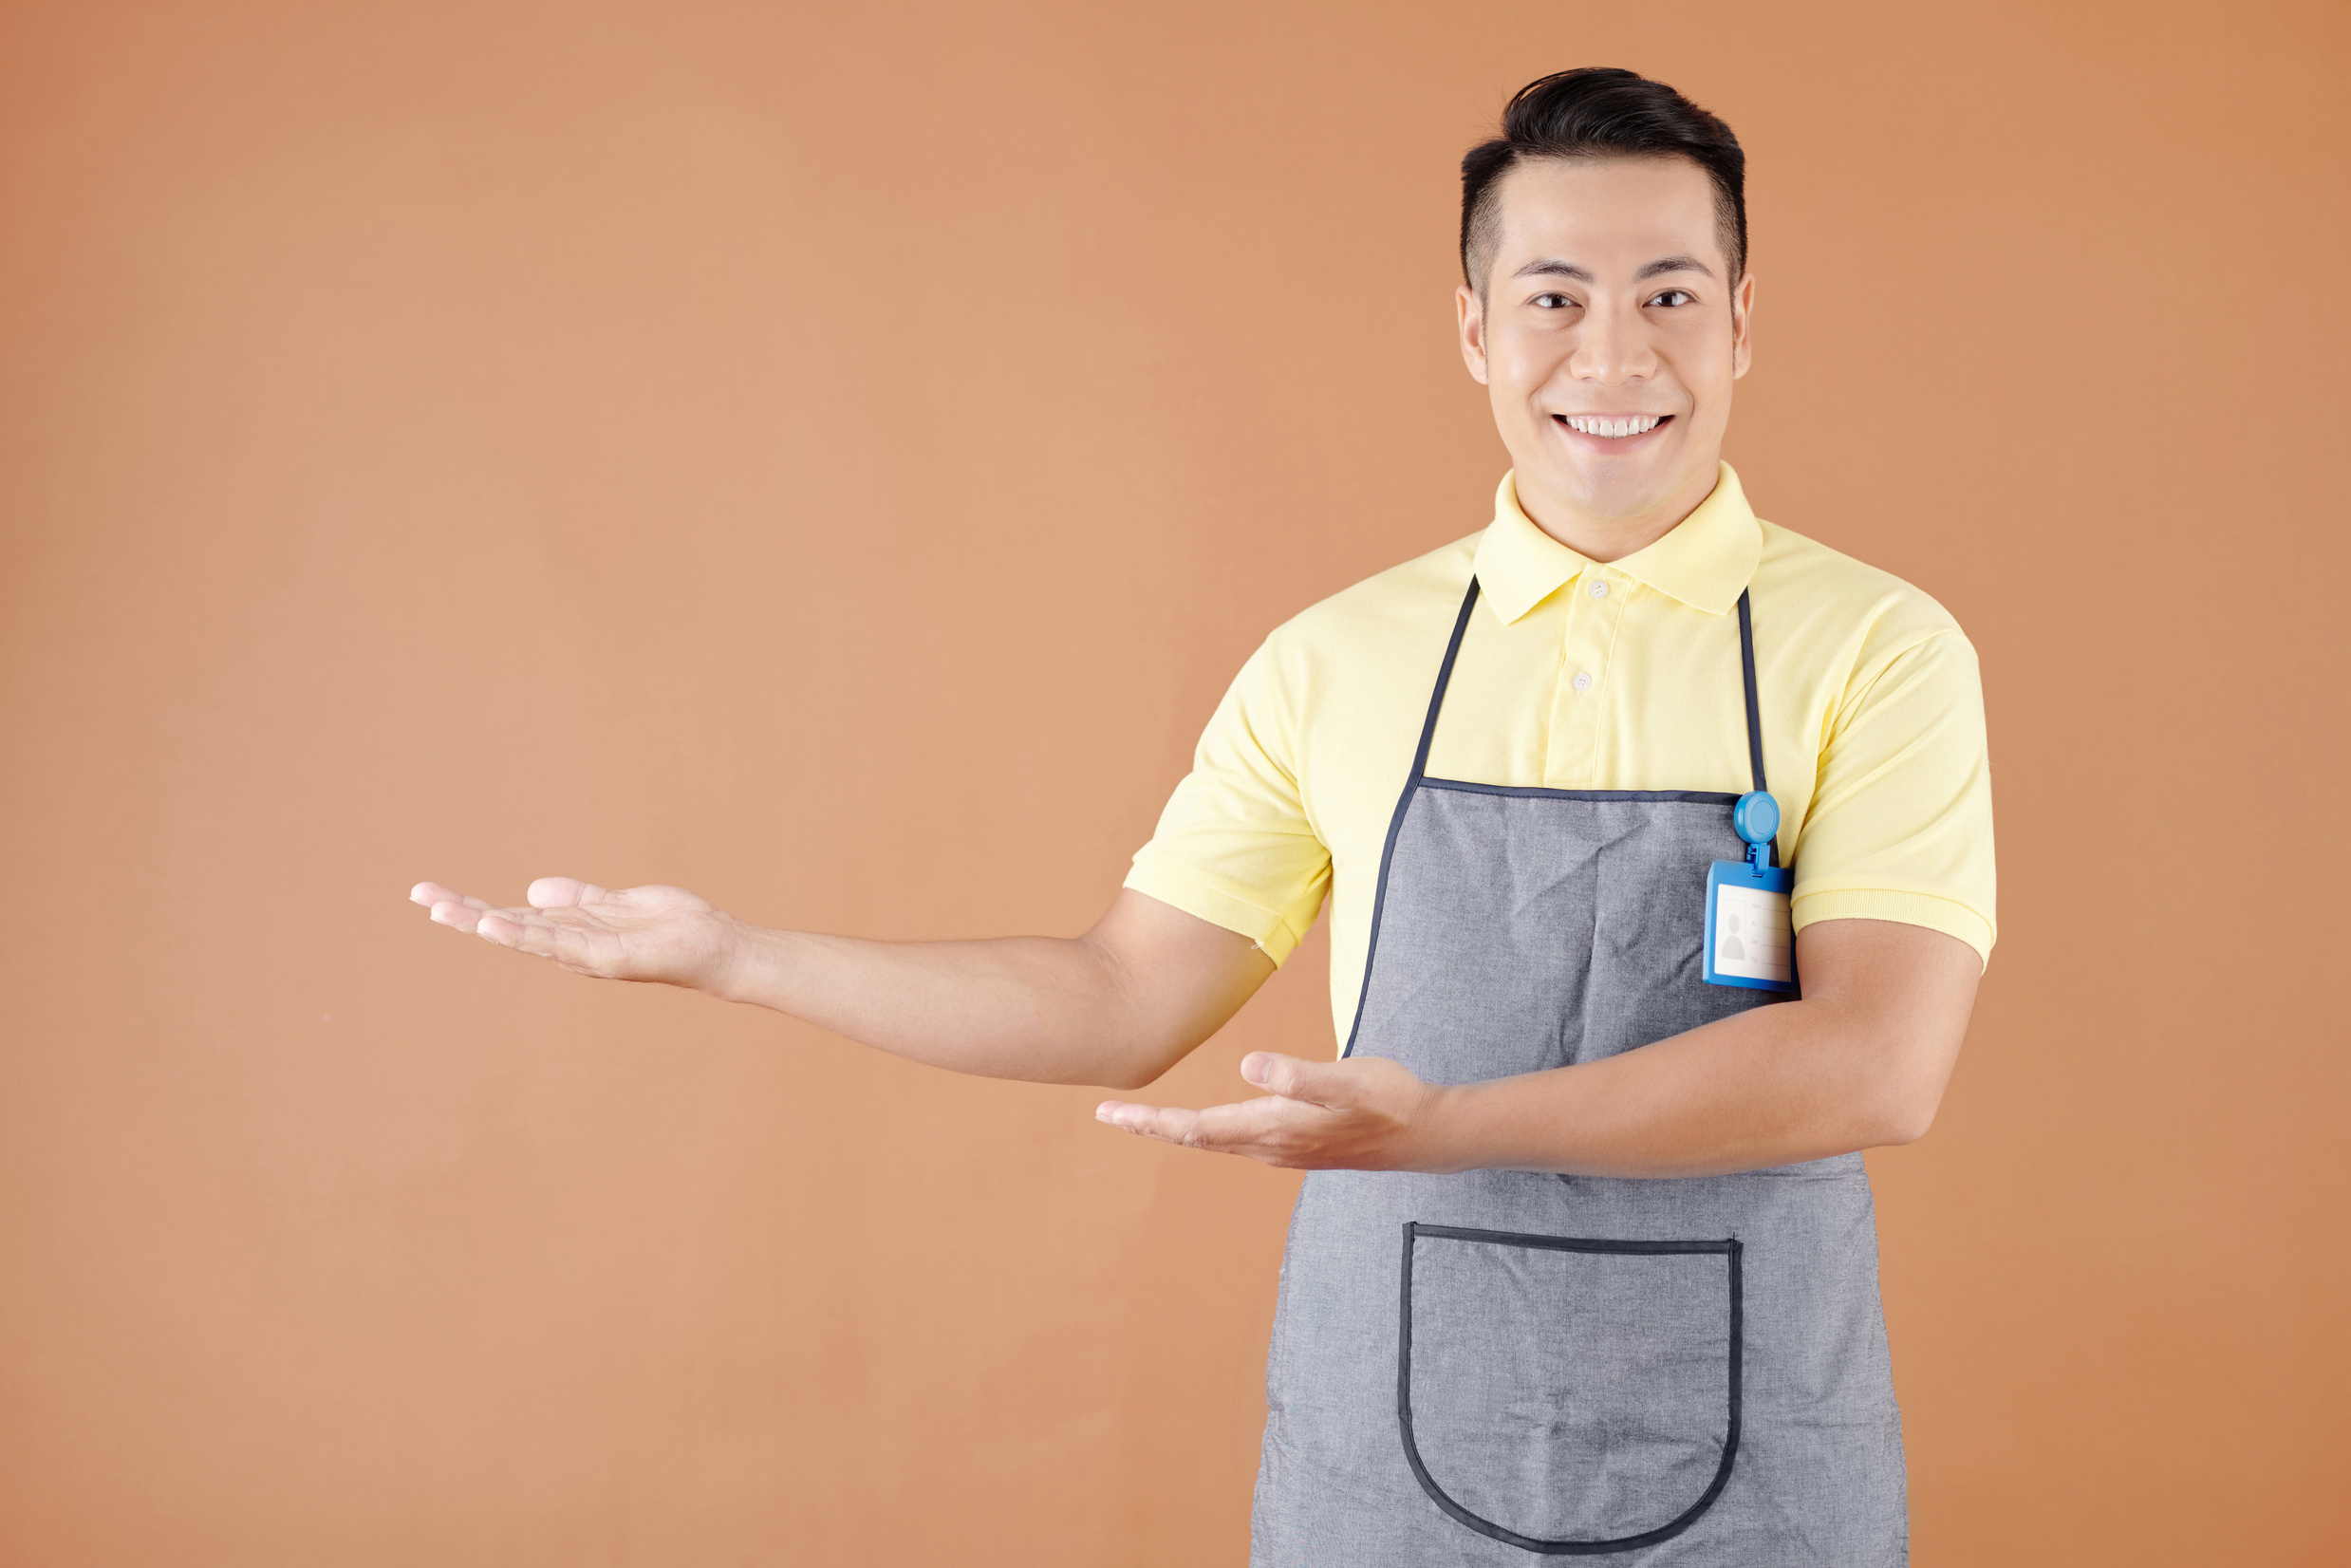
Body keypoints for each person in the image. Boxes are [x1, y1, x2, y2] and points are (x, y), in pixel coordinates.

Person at [413, 67, 1991, 1566]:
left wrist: (1443, 1130)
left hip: (1757, 1457)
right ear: (1470, 327)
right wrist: (741, 957)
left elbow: (1873, 1062)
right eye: (1551, 301)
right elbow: (1119, 998)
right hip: (1390, 1452)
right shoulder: (1339, 659)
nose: (1611, 358)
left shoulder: (1873, 646)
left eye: (1668, 296)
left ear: (1739, 321)